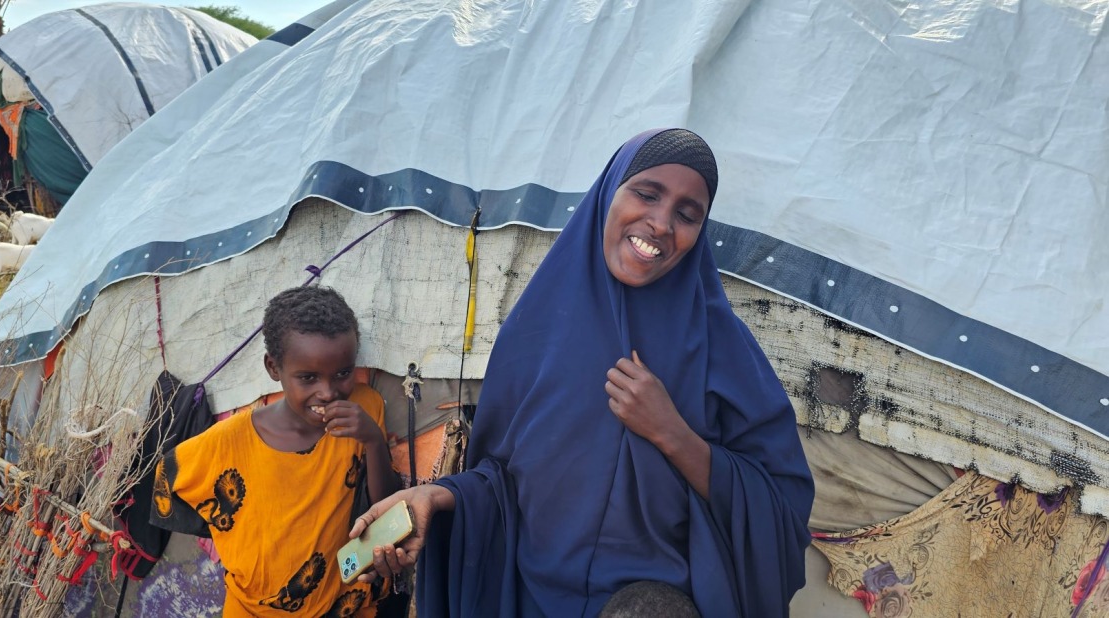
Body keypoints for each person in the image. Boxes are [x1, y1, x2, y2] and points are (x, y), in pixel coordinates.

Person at [350, 129, 814, 617]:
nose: (660, 223)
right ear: (608, 192)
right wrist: (434, 496)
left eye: (687, 213)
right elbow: (503, 482)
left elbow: (779, 515)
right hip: (525, 598)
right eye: (647, 193)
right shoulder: (538, 327)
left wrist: (672, 432)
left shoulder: (721, 347)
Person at [151, 286, 401, 617]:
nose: (327, 392)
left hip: (341, 604)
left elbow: (383, 506)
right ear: (273, 368)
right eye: (308, 377)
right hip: (254, 610)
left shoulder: (363, 409)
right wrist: (232, 529)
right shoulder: (229, 441)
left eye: (342, 373)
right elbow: (167, 480)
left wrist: (372, 440)